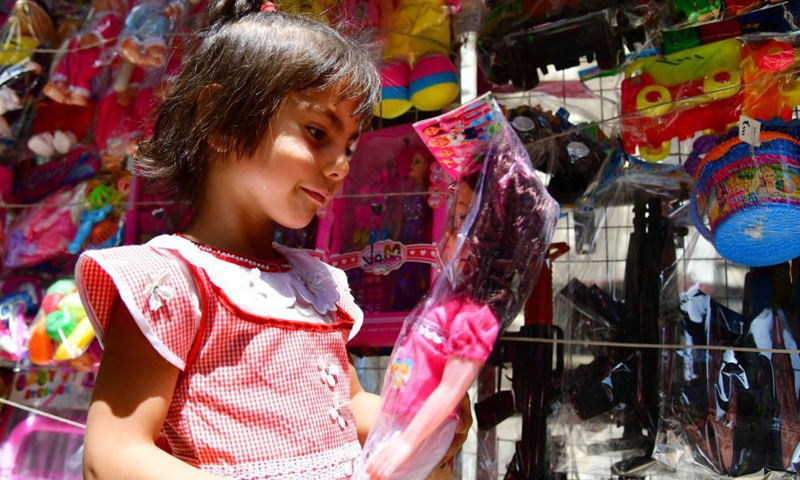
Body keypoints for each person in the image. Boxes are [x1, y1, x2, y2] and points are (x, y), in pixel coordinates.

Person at [76, 2, 467, 479]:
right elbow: (113, 456)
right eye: (317, 132)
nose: (341, 164)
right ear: (220, 118)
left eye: (348, 146)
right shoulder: (172, 281)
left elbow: (348, 406)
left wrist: (421, 420)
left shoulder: (315, 283)